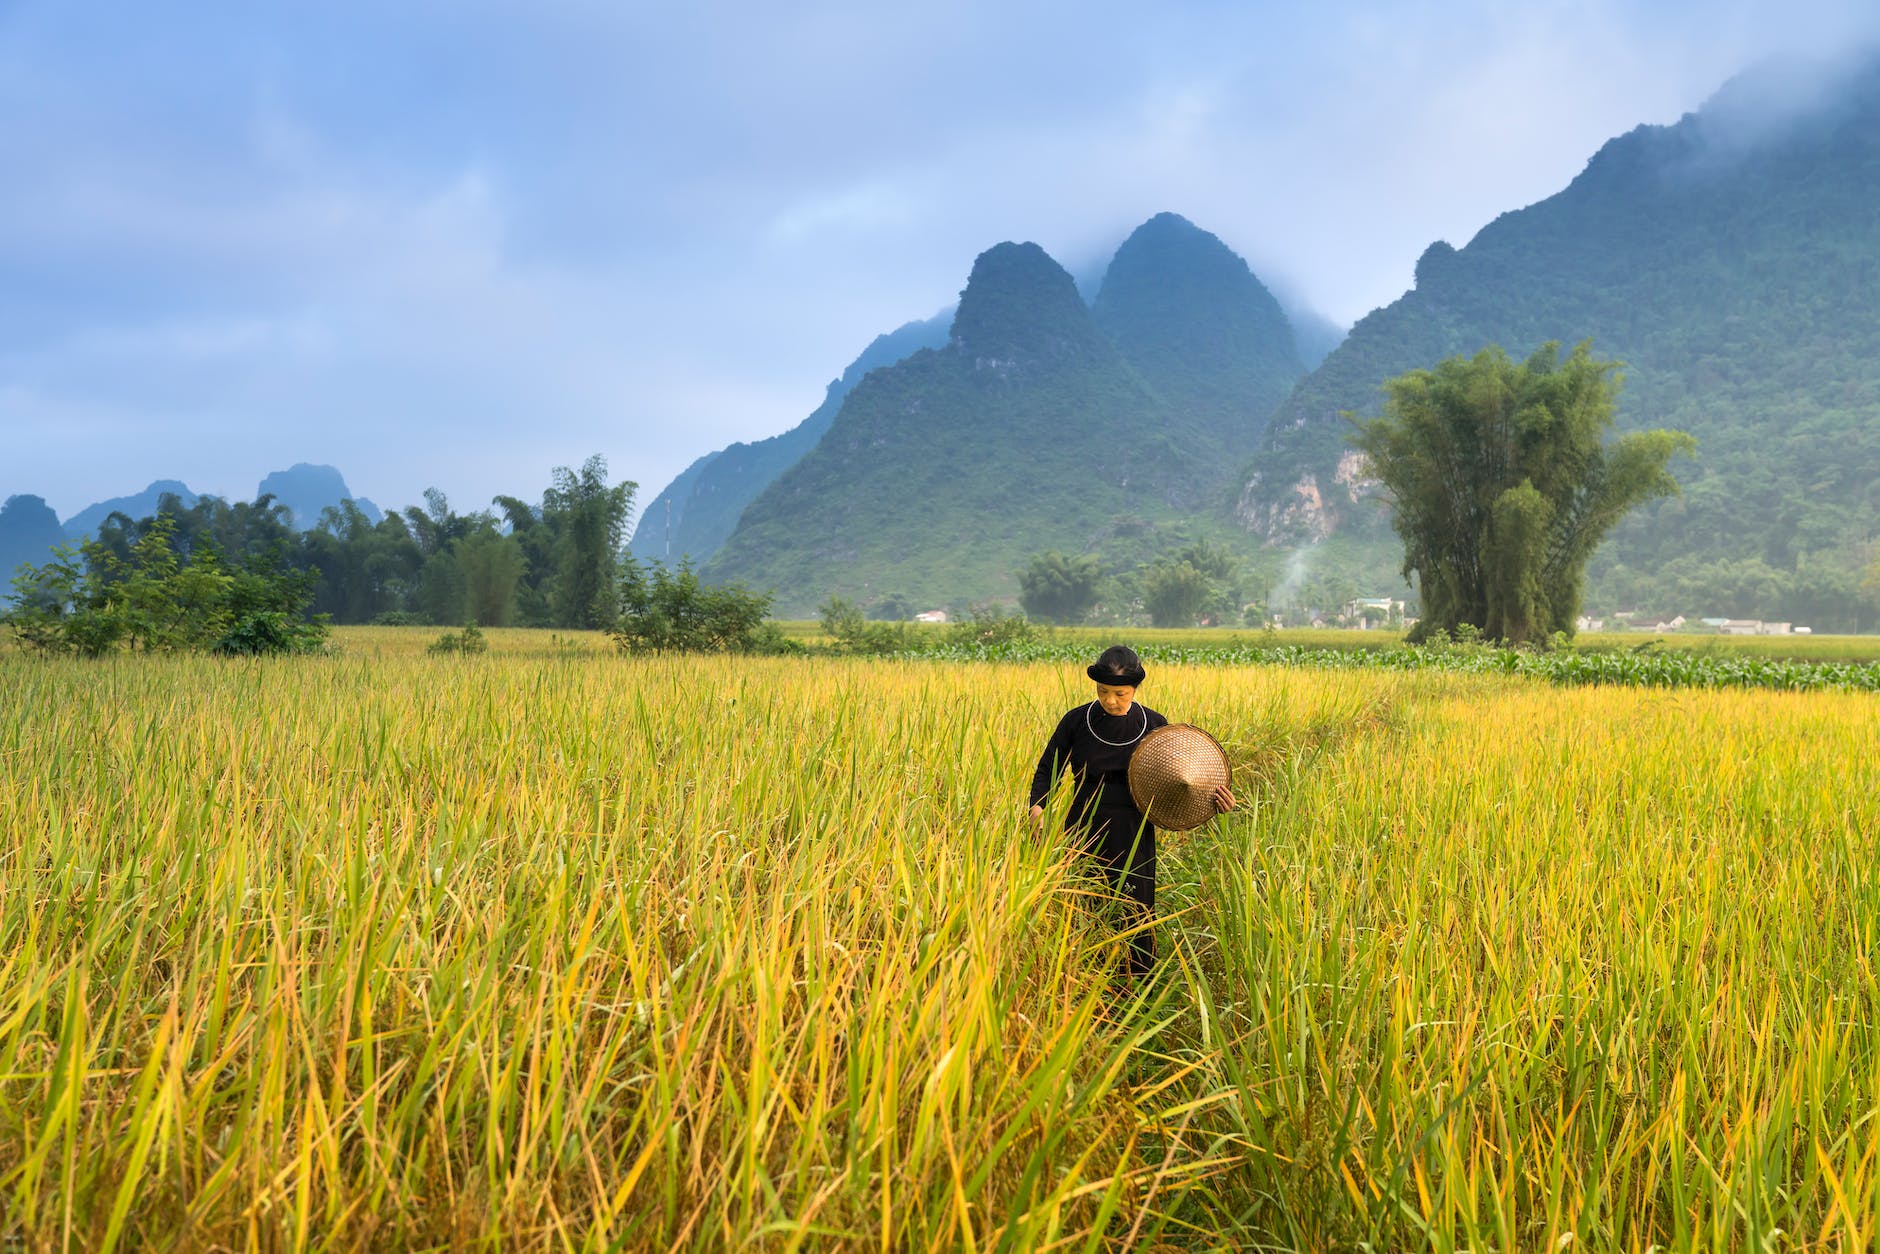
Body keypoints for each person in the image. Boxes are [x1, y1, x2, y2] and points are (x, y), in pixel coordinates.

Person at [1027, 644, 1233, 979]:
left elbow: (1182, 777)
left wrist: (1214, 799)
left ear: (1134, 689)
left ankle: (1136, 985)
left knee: (1135, 906)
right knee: (1085, 902)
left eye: (1120, 694)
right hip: (1084, 824)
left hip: (1133, 829)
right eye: (1103, 691)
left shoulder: (1155, 725)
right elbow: (1050, 767)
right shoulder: (1077, 721)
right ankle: (1085, 982)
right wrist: (1038, 805)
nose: (1110, 701)